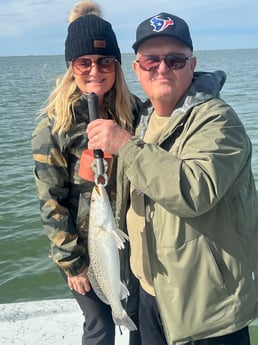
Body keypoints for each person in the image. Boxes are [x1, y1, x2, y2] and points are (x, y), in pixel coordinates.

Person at [87, 11, 258, 345]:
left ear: (192, 65)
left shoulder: (218, 122)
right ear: (137, 69)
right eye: (151, 61)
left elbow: (194, 190)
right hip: (153, 297)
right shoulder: (142, 123)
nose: (162, 69)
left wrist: (124, 145)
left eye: (175, 60)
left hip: (206, 309)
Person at [31, 1, 142, 344]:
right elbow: (50, 200)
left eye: (105, 60)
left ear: (118, 64)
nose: (95, 69)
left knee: (142, 317)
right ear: (71, 66)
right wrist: (71, 262)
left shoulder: (134, 112)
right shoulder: (54, 125)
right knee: (99, 325)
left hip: (133, 243)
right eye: (84, 62)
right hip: (86, 246)